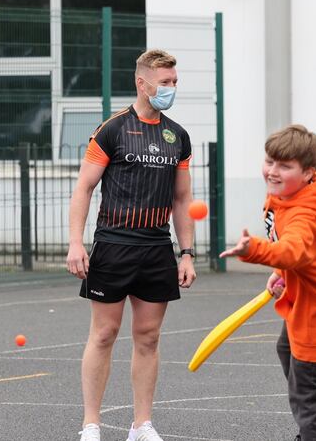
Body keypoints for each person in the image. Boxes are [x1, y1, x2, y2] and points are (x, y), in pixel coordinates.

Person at [67, 49, 196, 441]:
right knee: (104, 334)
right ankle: (91, 424)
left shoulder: (178, 136)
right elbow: (84, 187)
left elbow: (181, 200)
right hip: (113, 244)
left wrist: (187, 252)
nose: (171, 88)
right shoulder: (112, 129)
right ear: (142, 83)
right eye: (165, 82)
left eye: (174, 81)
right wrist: (76, 242)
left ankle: (142, 425)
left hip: (157, 247)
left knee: (149, 337)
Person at [220, 125, 316, 441]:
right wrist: (281, 273)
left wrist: (254, 250)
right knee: (287, 352)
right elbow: (302, 253)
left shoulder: (306, 213)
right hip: (310, 293)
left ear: (309, 172)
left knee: (306, 396)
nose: (272, 171)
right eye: (270, 161)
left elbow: (293, 249)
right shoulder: (292, 191)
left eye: (285, 166)